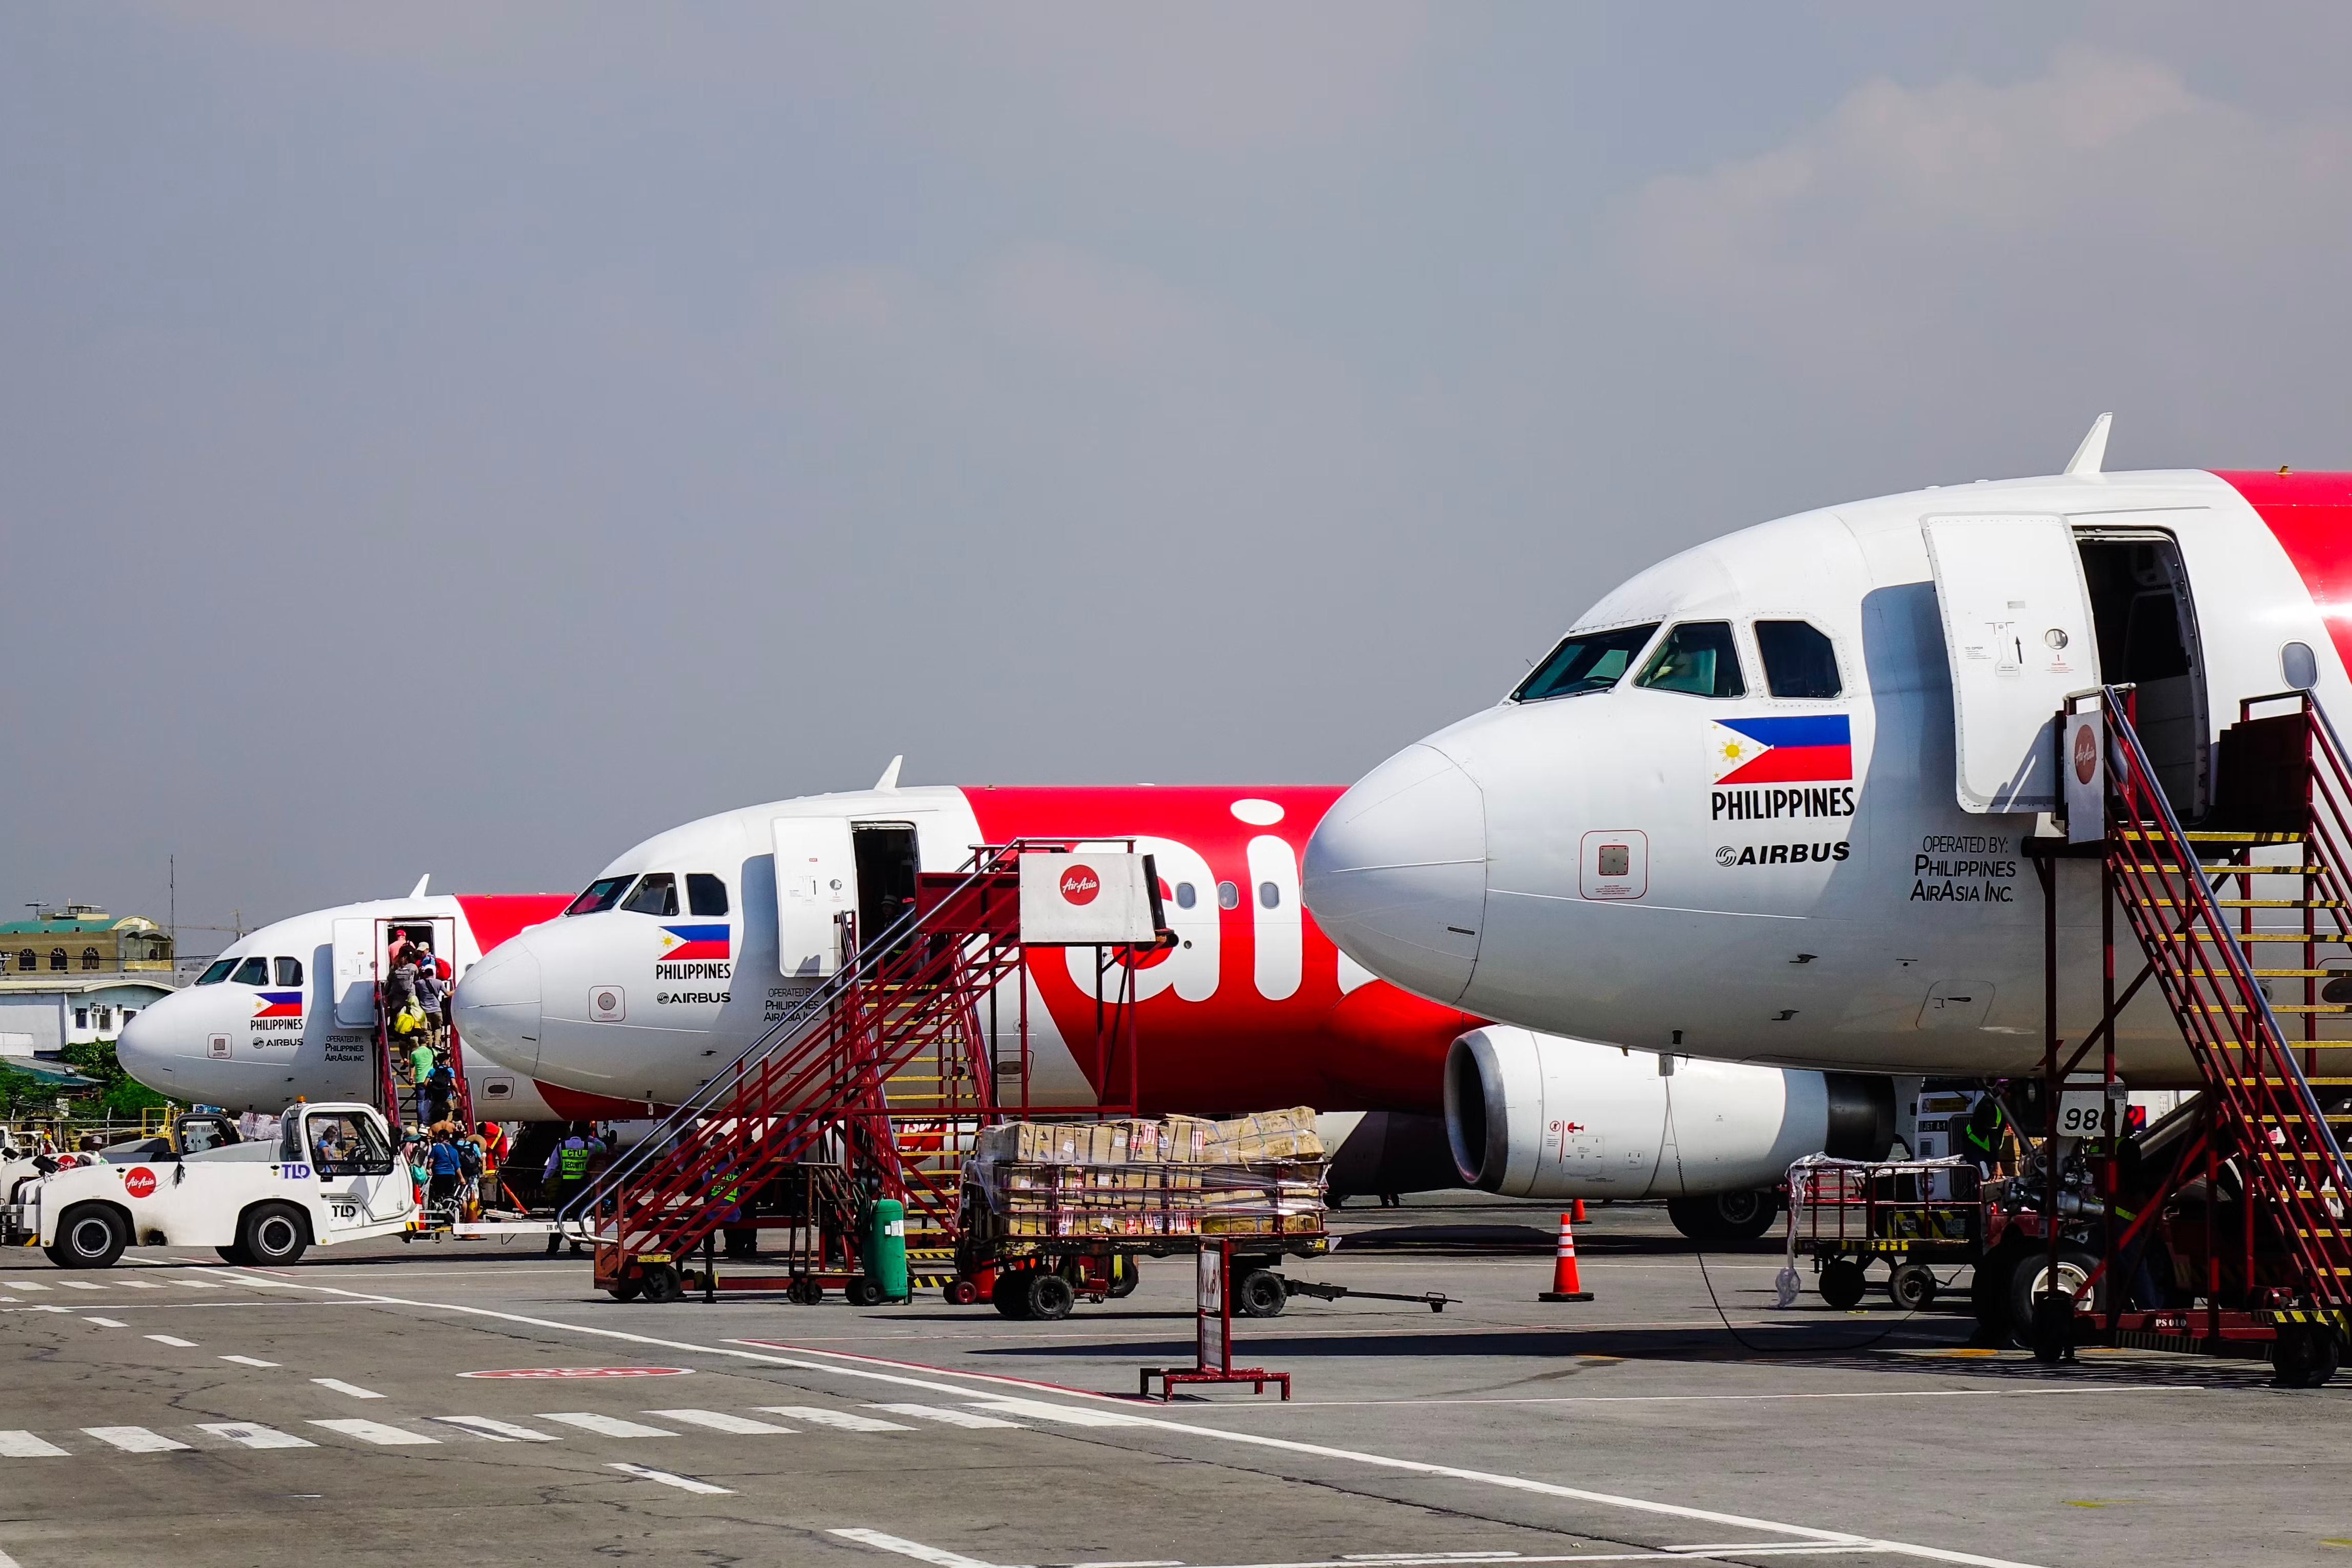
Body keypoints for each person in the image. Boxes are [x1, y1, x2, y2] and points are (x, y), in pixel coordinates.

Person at [542, 1122, 606, 1256]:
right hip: (580, 1186)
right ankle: (575, 1247)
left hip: (565, 1185)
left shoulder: (562, 1146)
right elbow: (603, 1148)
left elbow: (552, 1167)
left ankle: (552, 1248)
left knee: (559, 1216)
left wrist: (545, 1180)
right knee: (578, 1217)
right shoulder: (588, 1146)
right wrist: (591, 1138)